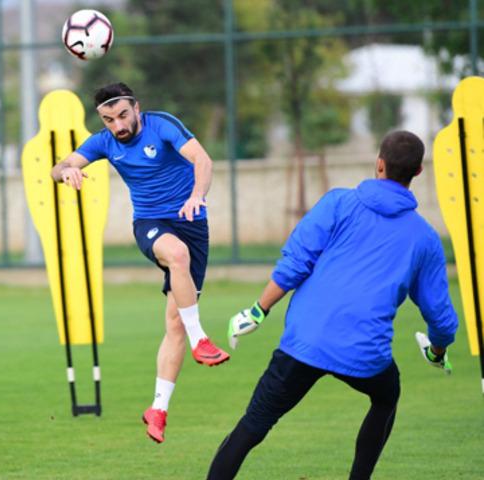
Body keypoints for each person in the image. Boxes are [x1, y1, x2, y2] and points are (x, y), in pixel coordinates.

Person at [207, 130, 458, 479]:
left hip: (305, 340)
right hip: (364, 352)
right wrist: (438, 349)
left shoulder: (338, 202)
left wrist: (258, 311)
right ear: (417, 173)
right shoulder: (425, 238)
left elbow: (295, 263)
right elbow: (441, 317)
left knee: (253, 424)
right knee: (387, 396)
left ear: (379, 163)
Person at [51, 82, 230, 444]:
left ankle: (158, 409)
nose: (117, 126)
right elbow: (61, 165)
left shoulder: (162, 125)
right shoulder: (104, 143)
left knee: (175, 323)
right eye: (108, 120)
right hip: (150, 224)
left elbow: (203, 160)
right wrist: (66, 171)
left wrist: (197, 195)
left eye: (122, 115)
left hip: (192, 222)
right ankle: (202, 339)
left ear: (136, 107)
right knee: (176, 255)